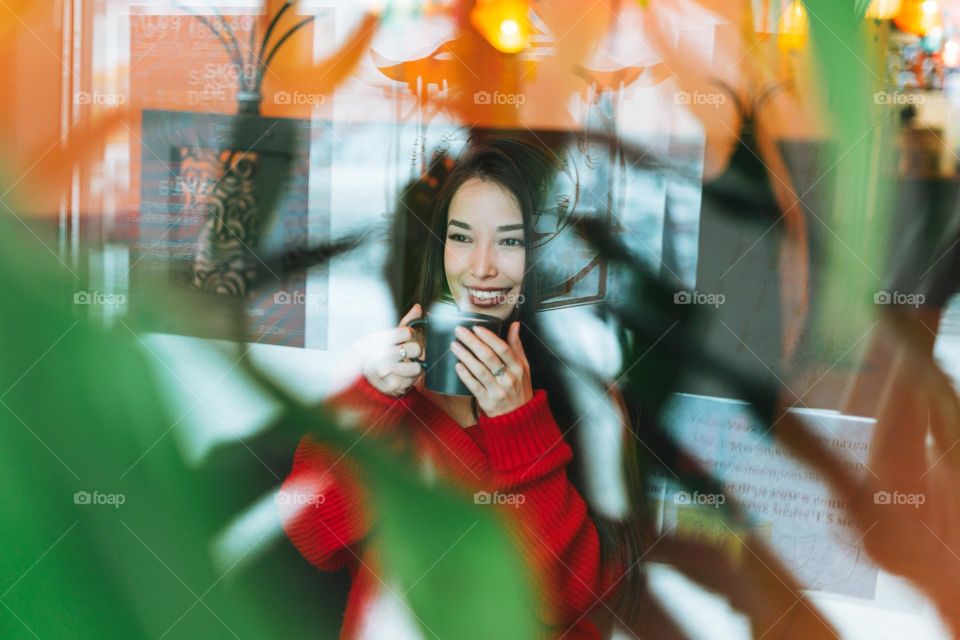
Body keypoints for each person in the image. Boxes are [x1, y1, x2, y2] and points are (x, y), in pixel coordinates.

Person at [279, 138, 642, 639]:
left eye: (510, 241)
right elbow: (313, 536)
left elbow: (570, 599)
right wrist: (372, 403)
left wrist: (521, 426)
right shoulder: (380, 374)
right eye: (462, 237)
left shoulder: (587, 397)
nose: (481, 266)